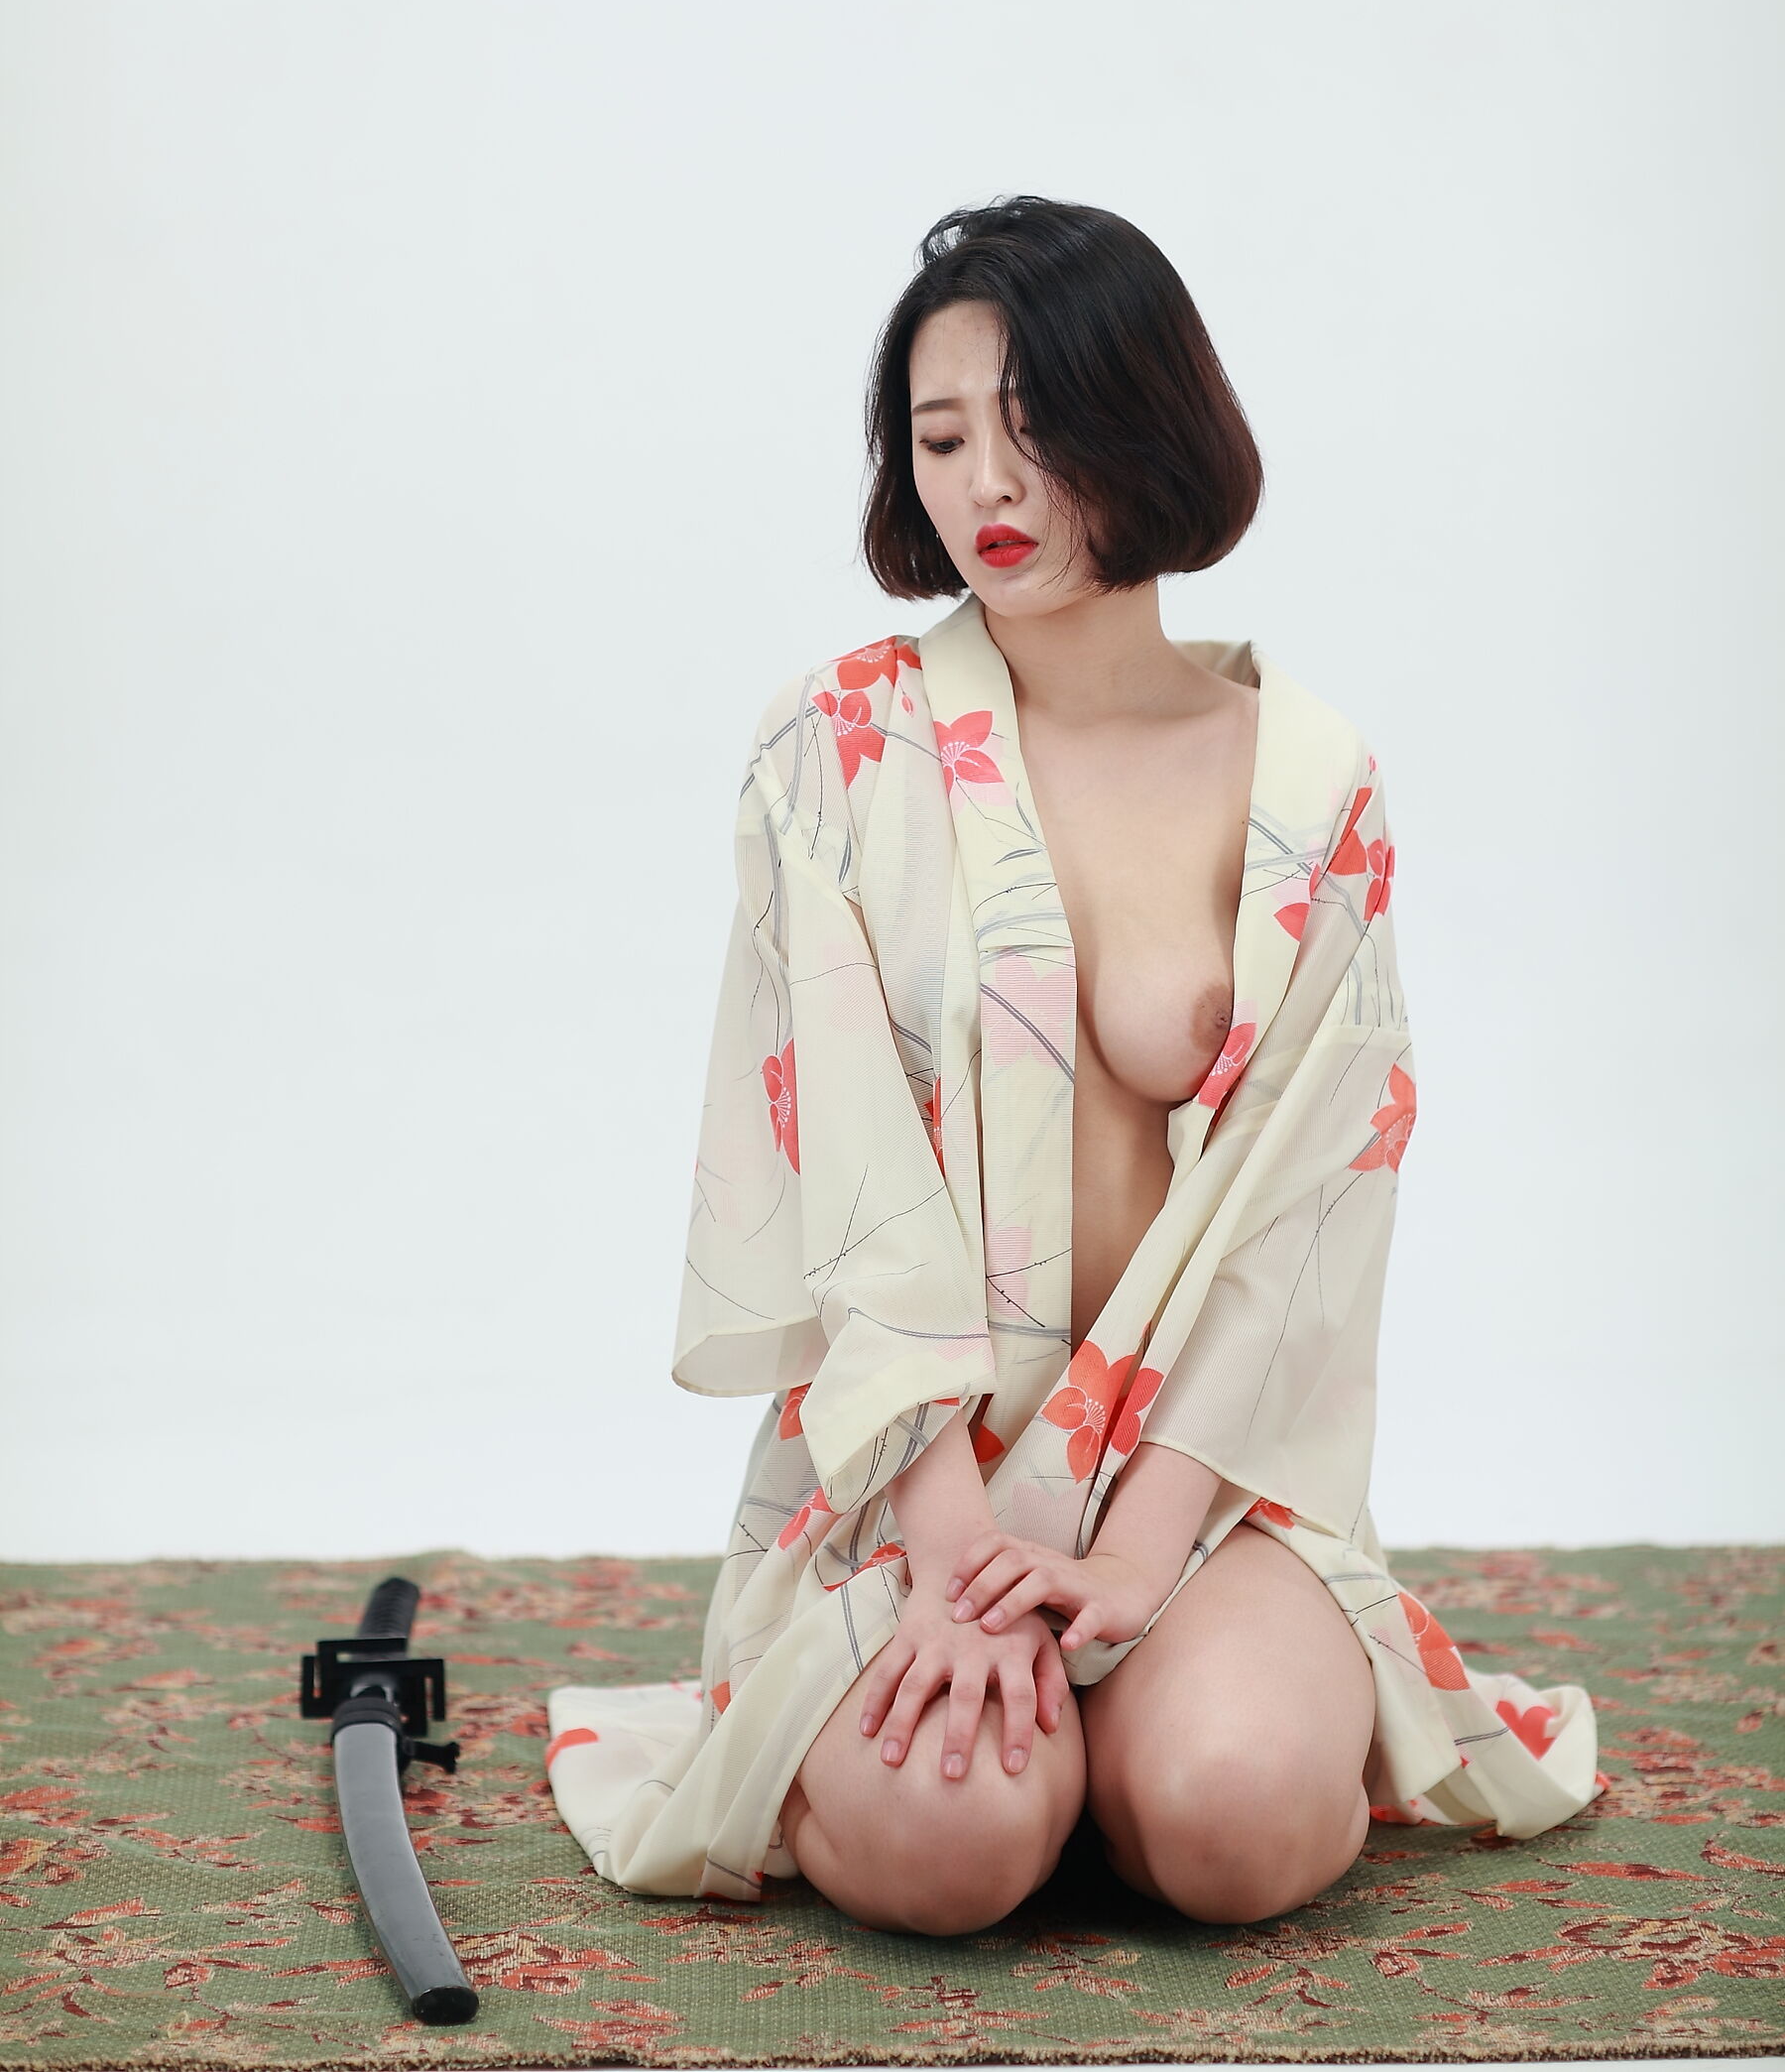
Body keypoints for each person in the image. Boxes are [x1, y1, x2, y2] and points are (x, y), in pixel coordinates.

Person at [543, 194, 1604, 1933]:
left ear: (1147, 418)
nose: (989, 486)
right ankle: (1016, 1756)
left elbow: (1312, 1204)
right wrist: (958, 1551)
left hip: (1201, 1474)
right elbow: (846, 1186)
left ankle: (1158, 1732)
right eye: (943, 437)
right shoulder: (842, 747)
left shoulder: (1309, 781)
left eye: (1035, 428)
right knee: (952, 1851)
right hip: (918, 1478)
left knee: (1236, 1826)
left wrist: (1133, 1552)